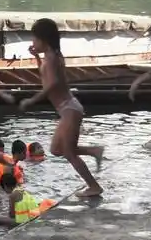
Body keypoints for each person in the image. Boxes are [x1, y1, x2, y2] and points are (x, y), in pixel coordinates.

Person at [18, 18, 105, 198]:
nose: (33, 43)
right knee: (56, 150)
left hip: (69, 110)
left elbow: (52, 84)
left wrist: (32, 100)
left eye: (35, 39)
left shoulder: (51, 59)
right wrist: (36, 58)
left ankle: (94, 186)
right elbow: (46, 77)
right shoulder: (52, 55)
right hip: (69, 109)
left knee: (69, 153)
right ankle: (93, 151)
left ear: (44, 40)